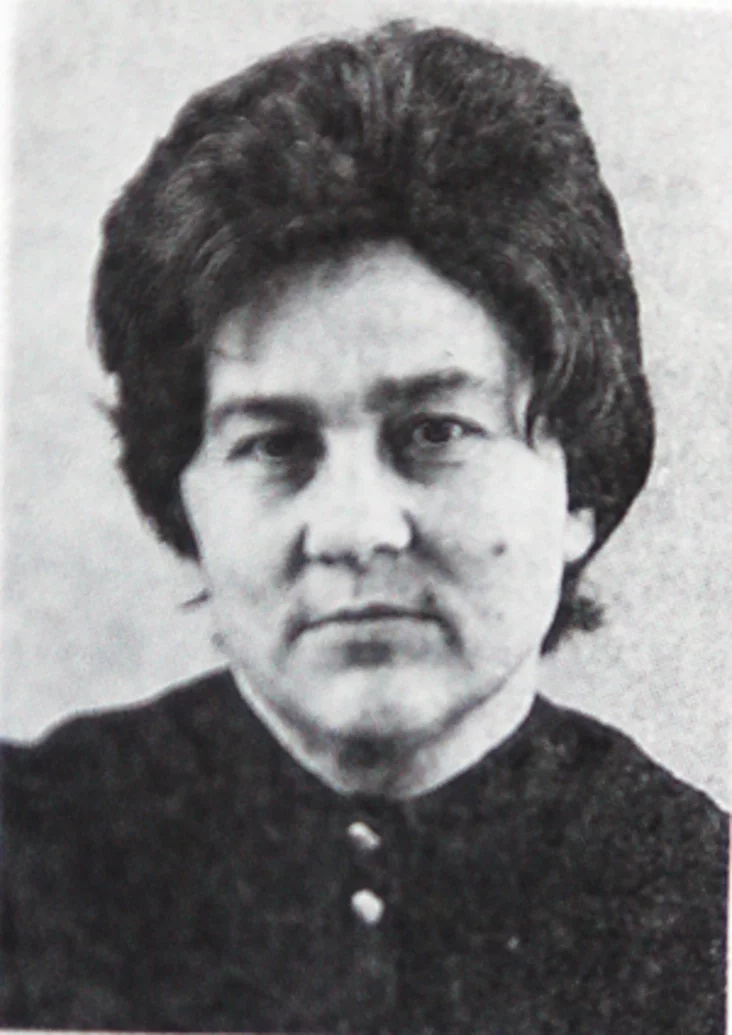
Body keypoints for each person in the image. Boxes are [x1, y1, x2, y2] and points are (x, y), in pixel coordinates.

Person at [0, 19, 726, 1034]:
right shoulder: (33, 856)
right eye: (275, 443)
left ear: (580, 488)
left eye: (435, 431)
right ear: (184, 495)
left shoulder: (696, 908)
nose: (353, 528)